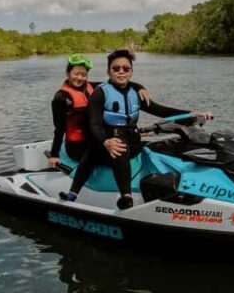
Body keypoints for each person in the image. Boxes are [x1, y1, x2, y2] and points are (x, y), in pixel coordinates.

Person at [78, 49, 212, 210]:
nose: (121, 72)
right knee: (120, 148)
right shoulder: (100, 93)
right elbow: (94, 124)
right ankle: (126, 196)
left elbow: (162, 111)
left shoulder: (136, 93)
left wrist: (194, 115)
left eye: (126, 69)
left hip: (131, 138)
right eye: (116, 68)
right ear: (108, 71)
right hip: (107, 142)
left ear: (131, 71)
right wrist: (106, 142)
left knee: (162, 147)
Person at [47, 53, 149, 201]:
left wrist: (140, 87)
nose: (80, 78)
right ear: (68, 73)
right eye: (76, 74)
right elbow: (59, 128)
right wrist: (54, 154)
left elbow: (119, 82)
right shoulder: (61, 98)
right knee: (104, 151)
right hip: (76, 145)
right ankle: (121, 194)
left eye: (83, 75)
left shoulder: (91, 87)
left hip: (95, 137)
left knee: (116, 144)